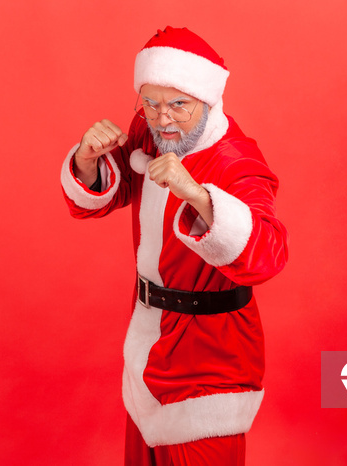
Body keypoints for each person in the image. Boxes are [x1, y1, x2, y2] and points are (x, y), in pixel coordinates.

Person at [60, 26, 288, 466]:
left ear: (206, 99)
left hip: (210, 358)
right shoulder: (150, 130)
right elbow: (108, 193)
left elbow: (269, 254)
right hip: (148, 345)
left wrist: (198, 195)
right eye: (151, 102)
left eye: (178, 105)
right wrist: (88, 160)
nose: (162, 119)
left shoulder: (236, 159)